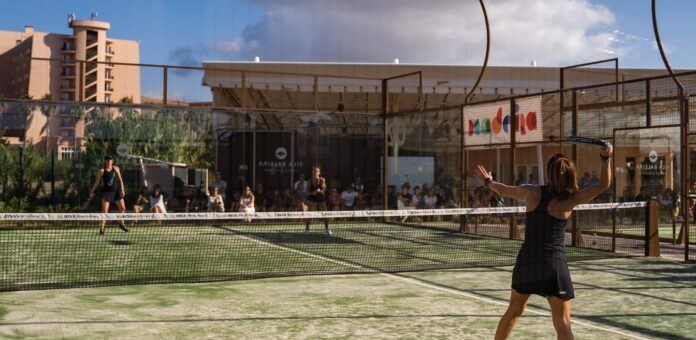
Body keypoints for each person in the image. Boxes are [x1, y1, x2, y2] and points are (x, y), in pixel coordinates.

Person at [474, 144, 612, 340]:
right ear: (569, 174)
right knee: (563, 323)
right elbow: (603, 185)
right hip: (553, 266)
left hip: (527, 263)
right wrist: (605, 158)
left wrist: (488, 182)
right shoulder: (570, 199)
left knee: (513, 312)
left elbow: (504, 190)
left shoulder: (531, 192)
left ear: (548, 173)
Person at [87, 155, 129, 235]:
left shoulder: (116, 168)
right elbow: (97, 182)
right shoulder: (102, 171)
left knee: (123, 208)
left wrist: (122, 189)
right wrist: (92, 190)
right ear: (105, 161)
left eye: (110, 159)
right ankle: (102, 228)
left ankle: (121, 224)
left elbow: (120, 180)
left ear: (112, 161)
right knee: (105, 211)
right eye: (107, 160)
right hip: (106, 193)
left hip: (116, 192)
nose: (109, 161)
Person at [304, 166, 331, 235]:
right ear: (312, 173)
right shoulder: (310, 181)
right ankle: (307, 229)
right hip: (312, 198)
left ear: (319, 173)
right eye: (314, 171)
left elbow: (324, 189)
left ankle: (327, 228)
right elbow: (307, 193)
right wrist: (312, 192)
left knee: (325, 213)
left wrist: (321, 190)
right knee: (310, 213)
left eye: (317, 171)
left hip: (320, 197)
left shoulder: (322, 180)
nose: (315, 172)